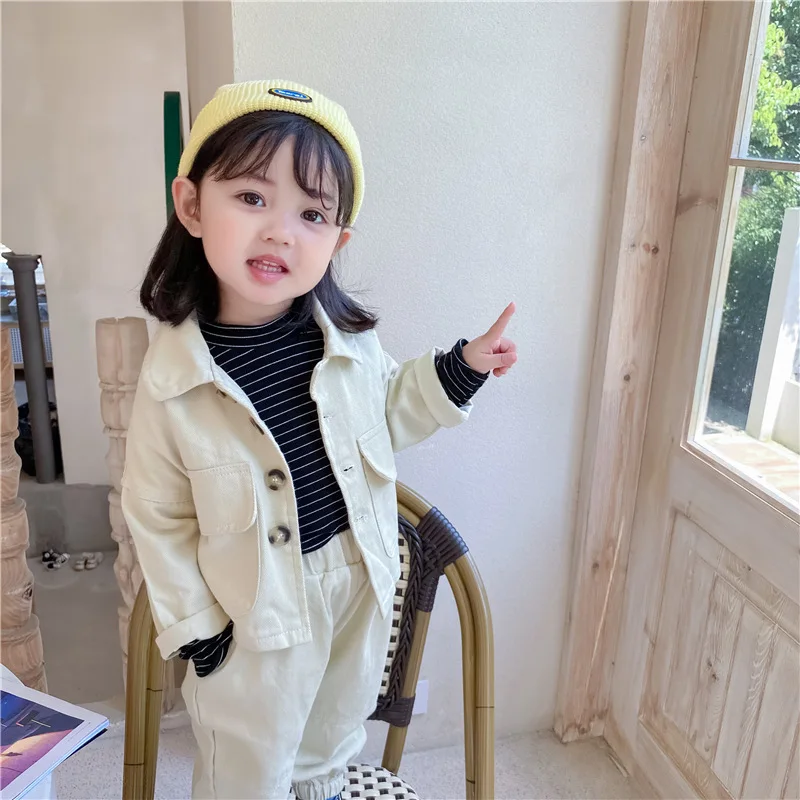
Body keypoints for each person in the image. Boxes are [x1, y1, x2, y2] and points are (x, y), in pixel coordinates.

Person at [121, 80, 517, 800]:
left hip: (356, 579)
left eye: (311, 214)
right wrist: (200, 630)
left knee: (331, 735)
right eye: (251, 197)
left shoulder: (349, 345)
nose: (281, 231)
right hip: (253, 611)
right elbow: (158, 515)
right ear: (192, 206)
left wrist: (462, 369)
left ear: (337, 241)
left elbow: (390, 410)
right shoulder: (174, 379)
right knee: (248, 762)